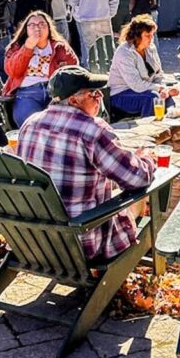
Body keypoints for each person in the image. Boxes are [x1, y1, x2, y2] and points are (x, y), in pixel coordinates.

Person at [16, 65, 157, 259]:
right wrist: (147, 159)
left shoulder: (30, 123)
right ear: (74, 100)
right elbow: (137, 178)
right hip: (83, 240)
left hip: (37, 238)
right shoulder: (92, 129)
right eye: (94, 94)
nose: (100, 98)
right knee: (140, 196)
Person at [2, 11, 78, 127]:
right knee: (31, 125)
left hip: (54, 92)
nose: (37, 28)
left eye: (42, 24)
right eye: (32, 25)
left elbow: (73, 67)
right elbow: (13, 71)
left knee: (63, 124)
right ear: (26, 29)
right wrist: (28, 48)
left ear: (49, 28)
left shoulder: (59, 46)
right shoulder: (16, 47)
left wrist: (62, 70)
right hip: (27, 93)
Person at [108, 15, 178, 118]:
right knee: (153, 98)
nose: (151, 39)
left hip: (146, 89)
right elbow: (136, 84)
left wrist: (164, 90)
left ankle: (171, 126)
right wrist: (159, 89)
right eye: (147, 35)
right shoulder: (125, 52)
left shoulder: (151, 48)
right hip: (121, 93)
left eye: (152, 35)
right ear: (137, 36)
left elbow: (158, 74)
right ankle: (149, 129)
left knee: (167, 99)